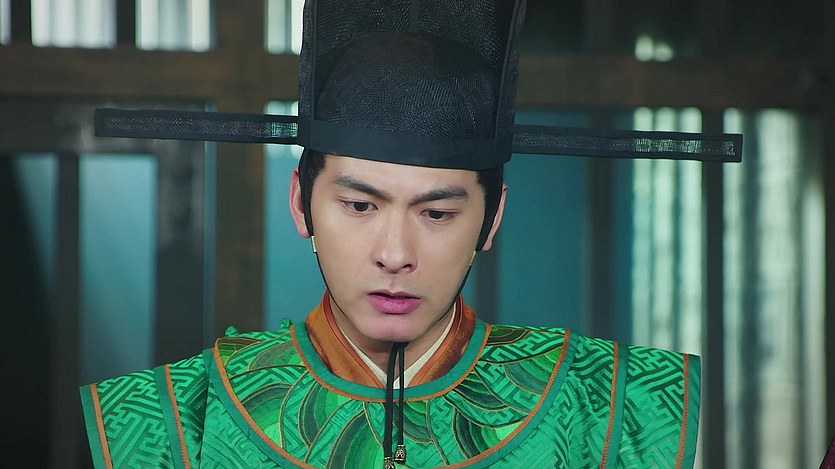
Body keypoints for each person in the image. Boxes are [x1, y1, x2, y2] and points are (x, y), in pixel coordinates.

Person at [81, 1, 741, 467]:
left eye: (437, 213)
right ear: (301, 203)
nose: (395, 254)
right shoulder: (179, 417)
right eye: (360, 205)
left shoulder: (608, 407)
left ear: (491, 218)